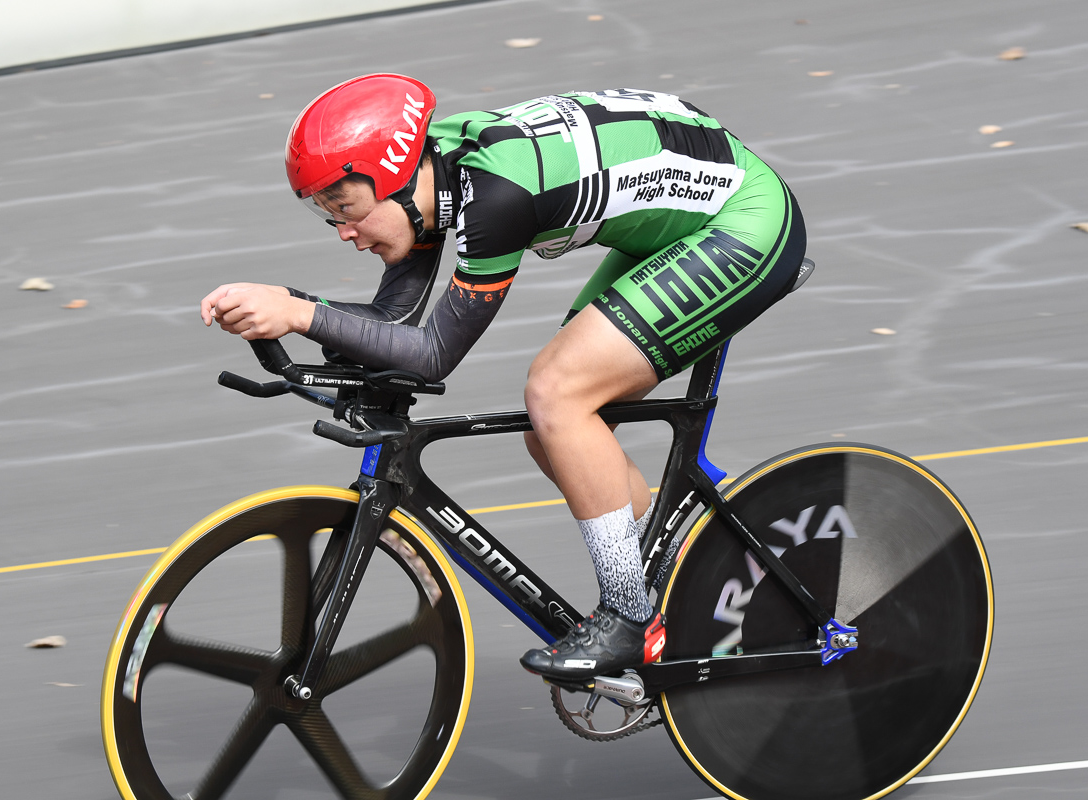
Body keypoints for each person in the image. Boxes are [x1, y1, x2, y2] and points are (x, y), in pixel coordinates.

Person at [200, 74, 808, 681]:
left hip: (744, 225)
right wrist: (287, 310)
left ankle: (630, 617)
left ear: (394, 175)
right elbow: (391, 322)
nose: (343, 232)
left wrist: (299, 312)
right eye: (326, 212)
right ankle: (674, 567)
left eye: (346, 206)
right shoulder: (431, 176)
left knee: (557, 394)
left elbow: (432, 354)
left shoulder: (497, 194)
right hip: (676, 229)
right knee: (555, 432)